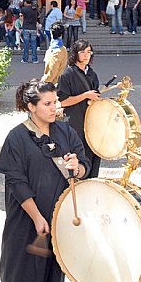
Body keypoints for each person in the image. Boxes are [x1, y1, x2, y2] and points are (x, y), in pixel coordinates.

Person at [0, 79, 88, 282]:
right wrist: (37, 217)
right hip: (26, 222)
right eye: (47, 104)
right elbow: (17, 182)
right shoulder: (16, 137)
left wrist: (78, 167)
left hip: (58, 221)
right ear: (31, 107)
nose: (54, 107)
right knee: (21, 281)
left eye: (55, 102)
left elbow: (84, 165)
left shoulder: (66, 131)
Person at [57, 40, 101, 178]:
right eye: (82, 52)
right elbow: (63, 101)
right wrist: (85, 95)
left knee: (93, 149)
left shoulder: (92, 74)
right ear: (75, 54)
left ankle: (91, 179)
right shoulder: (67, 75)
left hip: (91, 118)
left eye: (89, 52)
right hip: (75, 119)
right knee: (79, 150)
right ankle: (77, 179)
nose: (86, 55)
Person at [20, 0, 39, 64]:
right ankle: (34, 59)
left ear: (25, 2)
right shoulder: (35, 9)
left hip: (26, 27)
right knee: (34, 44)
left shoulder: (23, 9)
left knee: (26, 44)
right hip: (33, 27)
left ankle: (25, 59)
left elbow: (21, 17)